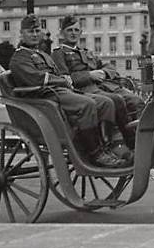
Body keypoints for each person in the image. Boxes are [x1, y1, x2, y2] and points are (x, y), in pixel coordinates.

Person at [9, 15, 125, 167]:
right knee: (87, 104)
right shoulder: (19, 58)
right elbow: (37, 79)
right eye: (30, 31)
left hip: (60, 91)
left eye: (37, 30)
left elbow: (58, 75)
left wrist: (64, 81)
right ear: (21, 34)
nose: (35, 34)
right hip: (46, 96)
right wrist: (64, 81)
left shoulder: (42, 55)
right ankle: (96, 153)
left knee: (105, 103)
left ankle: (107, 146)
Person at [51, 15, 144, 159]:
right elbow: (64, 79)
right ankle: (118, 143)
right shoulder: (58, 54)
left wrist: (103, 72)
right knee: (115, 100)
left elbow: (109, 67)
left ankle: (138, 139)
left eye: (76, 30)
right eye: (70, 30)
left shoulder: (86, 52)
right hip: (82, 90)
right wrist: (89, 75)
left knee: (135, 100)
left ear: (81, 33)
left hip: (102, 86)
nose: (73, 33)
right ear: (62, 33)